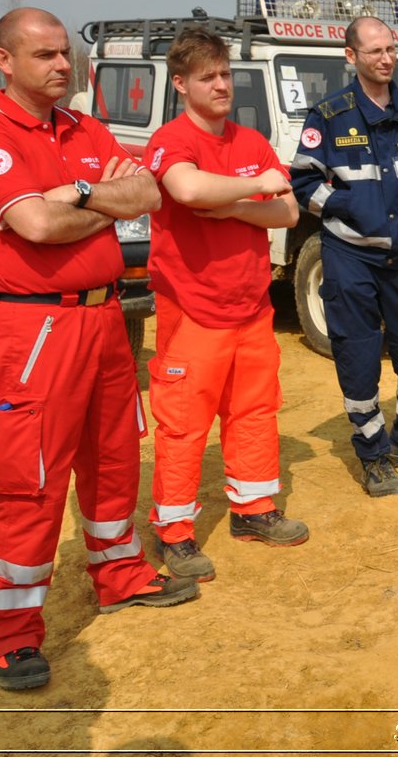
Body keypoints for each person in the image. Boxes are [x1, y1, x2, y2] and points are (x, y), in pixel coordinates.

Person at [0, 8, 199, 692]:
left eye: (65, 54)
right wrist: (105, 200)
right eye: (44, 55)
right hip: (35, 332)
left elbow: (148, 189)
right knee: (31, 478)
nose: (63, 65)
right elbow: (35, 223)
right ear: (3, 62)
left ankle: (119, 574)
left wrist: (85, 193)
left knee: (114, 455)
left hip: (104, 321)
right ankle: (10, 635)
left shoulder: (86, 128)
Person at [143, 28, 309, 584]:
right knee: (183, 425)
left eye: (225, 74)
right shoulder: (172, 140)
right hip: (191, 311)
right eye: (207, 77)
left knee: (254, 413)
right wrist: (257, 188)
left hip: (250, 307)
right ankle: (175, 534)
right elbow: (187, 190)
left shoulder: (251, 141)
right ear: (182, 83)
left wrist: (236, 204)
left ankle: (254, 509)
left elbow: (287, 214)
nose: (220, 85)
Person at [289, 15, 398, 497]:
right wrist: (349, 205)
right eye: (375, 51)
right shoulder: (331, 115)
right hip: (351, 257)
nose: (386, 59)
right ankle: (374, 456)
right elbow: (303, 183)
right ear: (351, 56)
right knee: (358, 357)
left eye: (392, 50)